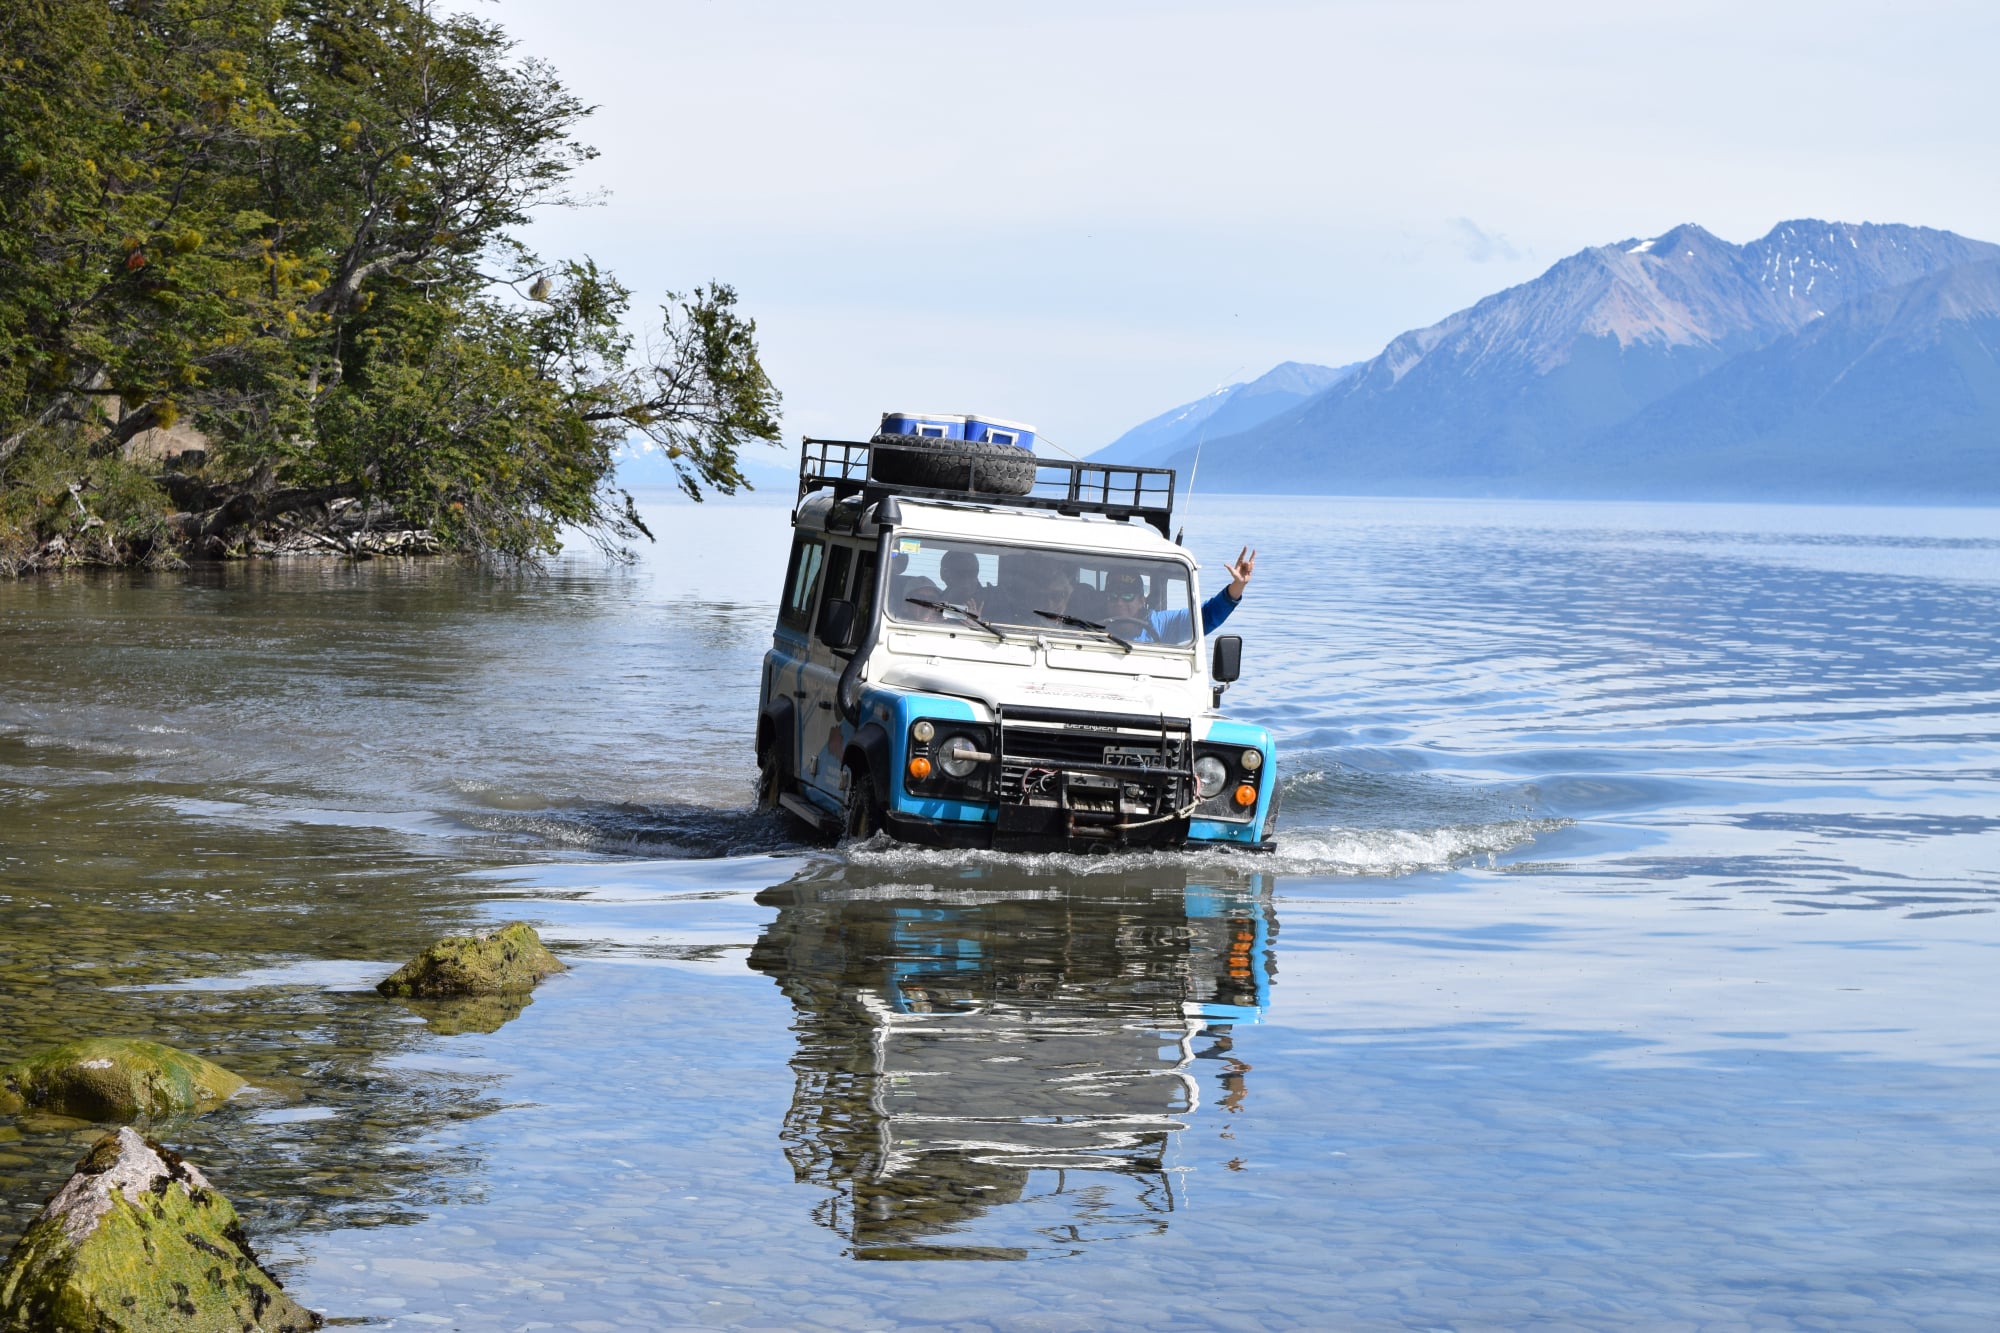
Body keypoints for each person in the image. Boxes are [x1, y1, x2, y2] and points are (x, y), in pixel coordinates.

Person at [1105, 546, 1256, 644]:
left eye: (1127, 596)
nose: (1119, 602)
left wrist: (1238, 585)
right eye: (1113, 596)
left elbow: (1206, 616)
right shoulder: (1092, 624)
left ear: (1141, 600)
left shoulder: (1160, 624)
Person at [938, 549, 986, 616]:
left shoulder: (993, 600)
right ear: (944, 574)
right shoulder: (932, 599)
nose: (967, 579)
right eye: (961, 573)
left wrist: (978, 621)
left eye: (972, 573)